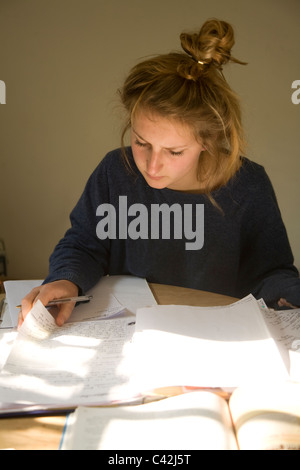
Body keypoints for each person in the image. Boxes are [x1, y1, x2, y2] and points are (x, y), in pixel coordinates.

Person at [19, 19, 300, 328]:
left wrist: (288, 294)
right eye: (141, 142)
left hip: (214, 337)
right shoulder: (115, 172)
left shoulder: (248, 185)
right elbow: (84, 244)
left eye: (174, 152)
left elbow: (271, 273)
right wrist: (65, 280)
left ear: (206, 142)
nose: (151, 167)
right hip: (128, 332)